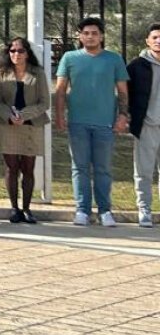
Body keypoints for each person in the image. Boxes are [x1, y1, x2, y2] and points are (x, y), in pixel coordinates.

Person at [56, 16, 129, 227]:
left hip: (105, 123)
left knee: (103, 168)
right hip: (77, 122)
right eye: (86, 33)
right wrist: (60, 116)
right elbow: (60, 90)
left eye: (94, 33)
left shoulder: (114, 59)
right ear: (80, 36)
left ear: (102, 36)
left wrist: (123, 116)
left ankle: (105, 210)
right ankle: (82, 210)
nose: (90, 37)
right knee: (79, 168)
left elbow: (123, 91)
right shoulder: (69, 58)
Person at [0, 37, 49, 224]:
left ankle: (27, 208)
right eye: (13, 51)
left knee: (28, 168)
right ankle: (14, 208)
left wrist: (24, 114)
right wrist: (9, 115)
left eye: (20, 51)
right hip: (8, 126)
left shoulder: (38, 73)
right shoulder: (2, 72)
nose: (16, 54)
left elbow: (44, 102)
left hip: (31, 125)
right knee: (11, 168)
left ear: (27, 53)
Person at [127, 23, 160, 228]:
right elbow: (125, 94)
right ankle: (144, 209)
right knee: (144, 171)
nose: (158, 41)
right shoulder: (137, 66)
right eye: (155, 37)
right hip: (146, 125)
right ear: (148, 40)